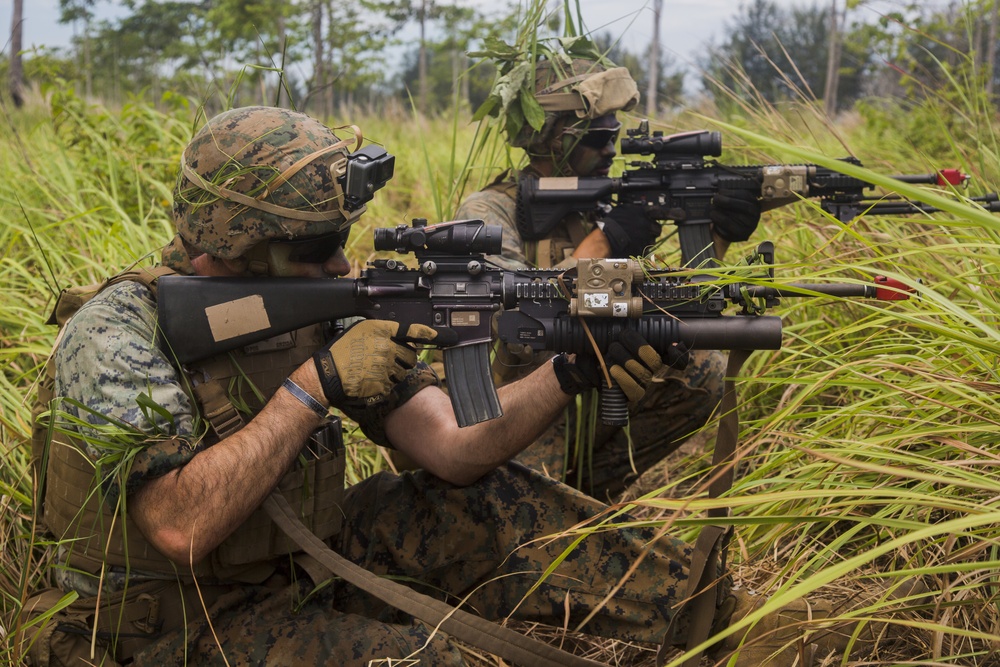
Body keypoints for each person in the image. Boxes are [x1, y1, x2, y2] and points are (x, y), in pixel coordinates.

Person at [21, 105, 896, 667]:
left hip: (301, 567)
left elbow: (455, 446)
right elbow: (176, 526)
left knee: (488, 502)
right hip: (157, 629)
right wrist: (314, 386)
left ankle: (721, 628)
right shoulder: (119, 333)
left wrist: (570, 367)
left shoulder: (315, 303)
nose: (341, 260)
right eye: (319, 242)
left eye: (343, 236)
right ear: (242, 239)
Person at [454, 56, 764, 500]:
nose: (610, 151)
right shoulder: (489, 211)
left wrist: (716, 236)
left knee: (701, 369)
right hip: (511, 400)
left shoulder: (601, 203)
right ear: (552, 136)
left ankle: (587, 494)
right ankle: (518, 498)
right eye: (599, 137)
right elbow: (516, 316)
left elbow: (663, 302)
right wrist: (607, 240)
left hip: (584, 384)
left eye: (615, 136)